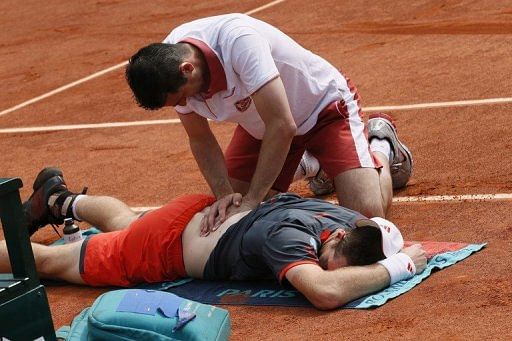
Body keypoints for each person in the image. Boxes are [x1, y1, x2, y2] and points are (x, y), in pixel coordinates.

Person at [125, 13, 413, 232]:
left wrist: (252, 201)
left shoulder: (238, 41)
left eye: (181, 98)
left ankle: (381, 146)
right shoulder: (167, 63)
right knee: (230, 212)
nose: (185, 106)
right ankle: (315, 165)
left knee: (367, 223)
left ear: (187, 69)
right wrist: (226, 195)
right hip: (262, 124)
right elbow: (200, 138)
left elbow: (283, 125)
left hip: (322, 109)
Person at [3, 168, 426, 310]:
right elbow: (325, 293)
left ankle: (59, 199)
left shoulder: (351, 220)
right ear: (335, 238)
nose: (323, 265)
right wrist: (397, 267)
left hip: (193, 216)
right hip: (163, 248)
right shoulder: (290, 239)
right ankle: (55, 204)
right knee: (45, 264)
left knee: (128, 224)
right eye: (329, 258)